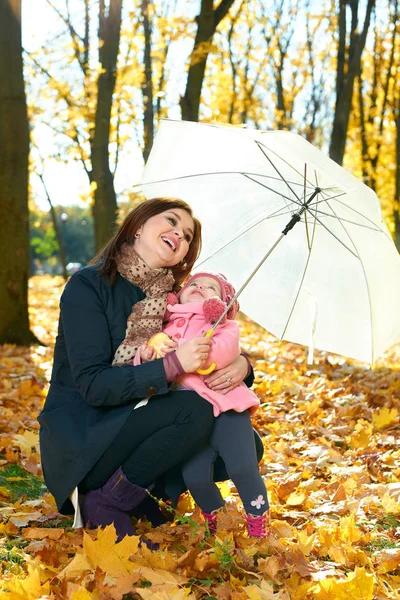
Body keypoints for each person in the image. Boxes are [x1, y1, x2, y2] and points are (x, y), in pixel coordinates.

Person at [38, 197, 261, 543]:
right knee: (196, 411)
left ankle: (148, 493)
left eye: (187, 236)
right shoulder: (87, 287)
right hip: (87, 438)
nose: (179, 235)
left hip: (139, 419)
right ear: (138, 225)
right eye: (171, 221)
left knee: (245, 440)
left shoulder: (175, 299)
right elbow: (95, 386)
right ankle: (106, 500)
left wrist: (242, 366)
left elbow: (210, 340)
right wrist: (173, 364)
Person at [119, 272, 269, 538]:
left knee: (242, 467)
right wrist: (145, 356)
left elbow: (225, 351)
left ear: (221, 303)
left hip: (226, 409)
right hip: (192, 420)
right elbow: (148, 370)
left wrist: (186, 350)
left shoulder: (224, 326)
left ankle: (258, 522)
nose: (200, 287)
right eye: (194, 284)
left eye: (210, 287)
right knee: (196, 476)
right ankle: (218, 522)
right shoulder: (165, 325)